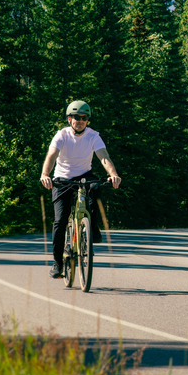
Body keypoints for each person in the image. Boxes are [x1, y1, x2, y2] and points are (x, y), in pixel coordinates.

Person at [40, 100, 122, 279]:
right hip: (62, 179)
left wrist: (113, 174)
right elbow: (51, 155)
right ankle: (57, 263)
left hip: (84, 175)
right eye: (77, 117)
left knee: (96, 186)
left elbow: (104, 157)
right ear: (70, 119)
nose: (81, 121)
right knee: (60, 221)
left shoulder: (93, 136)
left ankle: (92, 227)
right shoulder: (61, 135)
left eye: (84, 118)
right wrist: (45, 174)